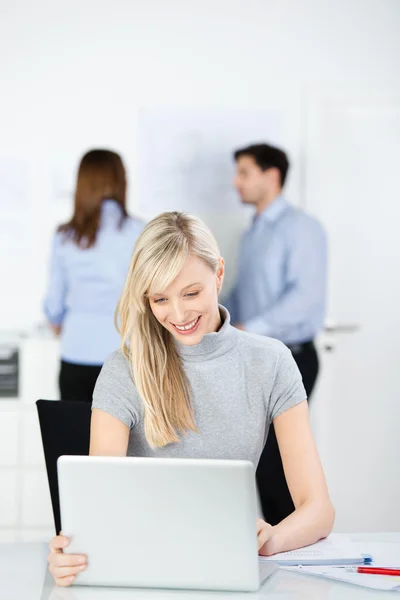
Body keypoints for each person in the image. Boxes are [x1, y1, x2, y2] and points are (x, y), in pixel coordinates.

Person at [47, 211, 334, 587]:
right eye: (160, 299)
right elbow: (101, 507)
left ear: (218, 274)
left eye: (191, 293)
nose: (178, 314)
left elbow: (319, 509)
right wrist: (72, 554)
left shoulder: (272, 361)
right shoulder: (124, 370)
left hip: (228, 569)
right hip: (141, 569)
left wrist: (269, 540)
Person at [225, 143, 327, 526]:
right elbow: (240, 293)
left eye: (244, 173)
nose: (236, 183)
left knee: (276, 464)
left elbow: (304, 299)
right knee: (258, 461)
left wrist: (248, 329)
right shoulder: (252, 233)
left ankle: (294, 553)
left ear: (272, 175)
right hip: (253, 357)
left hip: (293, 357)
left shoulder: (302, 229)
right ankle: (278, 552)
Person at [43, 149, 144, 402]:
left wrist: (57, 322)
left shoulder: (65, 236)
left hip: (76, 351)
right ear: (121, 181)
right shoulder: (141, 232)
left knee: (74, 438)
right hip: (125, 353)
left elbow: (54, 303)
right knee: (126, 441)